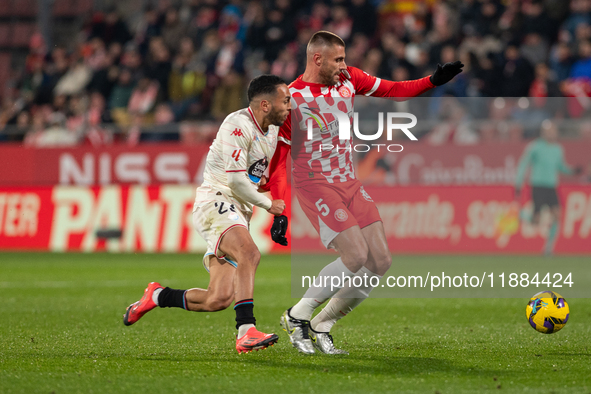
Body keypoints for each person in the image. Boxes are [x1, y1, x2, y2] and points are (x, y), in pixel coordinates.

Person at [263, 31, 463, 355]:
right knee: (355, 255)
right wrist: (279, 210)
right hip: (315, 183)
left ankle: (322, 324)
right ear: (317, 59)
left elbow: (394, 89)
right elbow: (280, 160)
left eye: (344, 59)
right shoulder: (293, 99)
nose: (344, 65)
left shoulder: (349, 79)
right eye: (337, 59)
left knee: (381, 260)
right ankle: (296, 315)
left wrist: (433, 80)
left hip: (349, 182)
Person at [123, 75, 291, 354]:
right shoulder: (237, 125)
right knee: (250, 254)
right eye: (284, 101)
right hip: (216, 201)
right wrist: (268, 205)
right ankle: (246, 330)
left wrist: (274, 207)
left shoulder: (272, 130)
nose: (289, 106)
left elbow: (256, 176)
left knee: (218, 298)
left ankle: (157, 295)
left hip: (239, 211)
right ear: (265, 104)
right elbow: (236, 181)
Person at [515, 120, 581, 255]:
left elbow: (560, 166)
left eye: (553, 131)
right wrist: (518, 182)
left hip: (551, 186)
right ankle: (522, 215)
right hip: (538, 185)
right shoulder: (535, 147)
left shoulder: (558, 149)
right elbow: (524, 163)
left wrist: (573, 171)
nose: (551, 134)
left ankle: (548, 248)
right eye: (549, 131)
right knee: (536, 221)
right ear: (543, 133)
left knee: (557, 215)